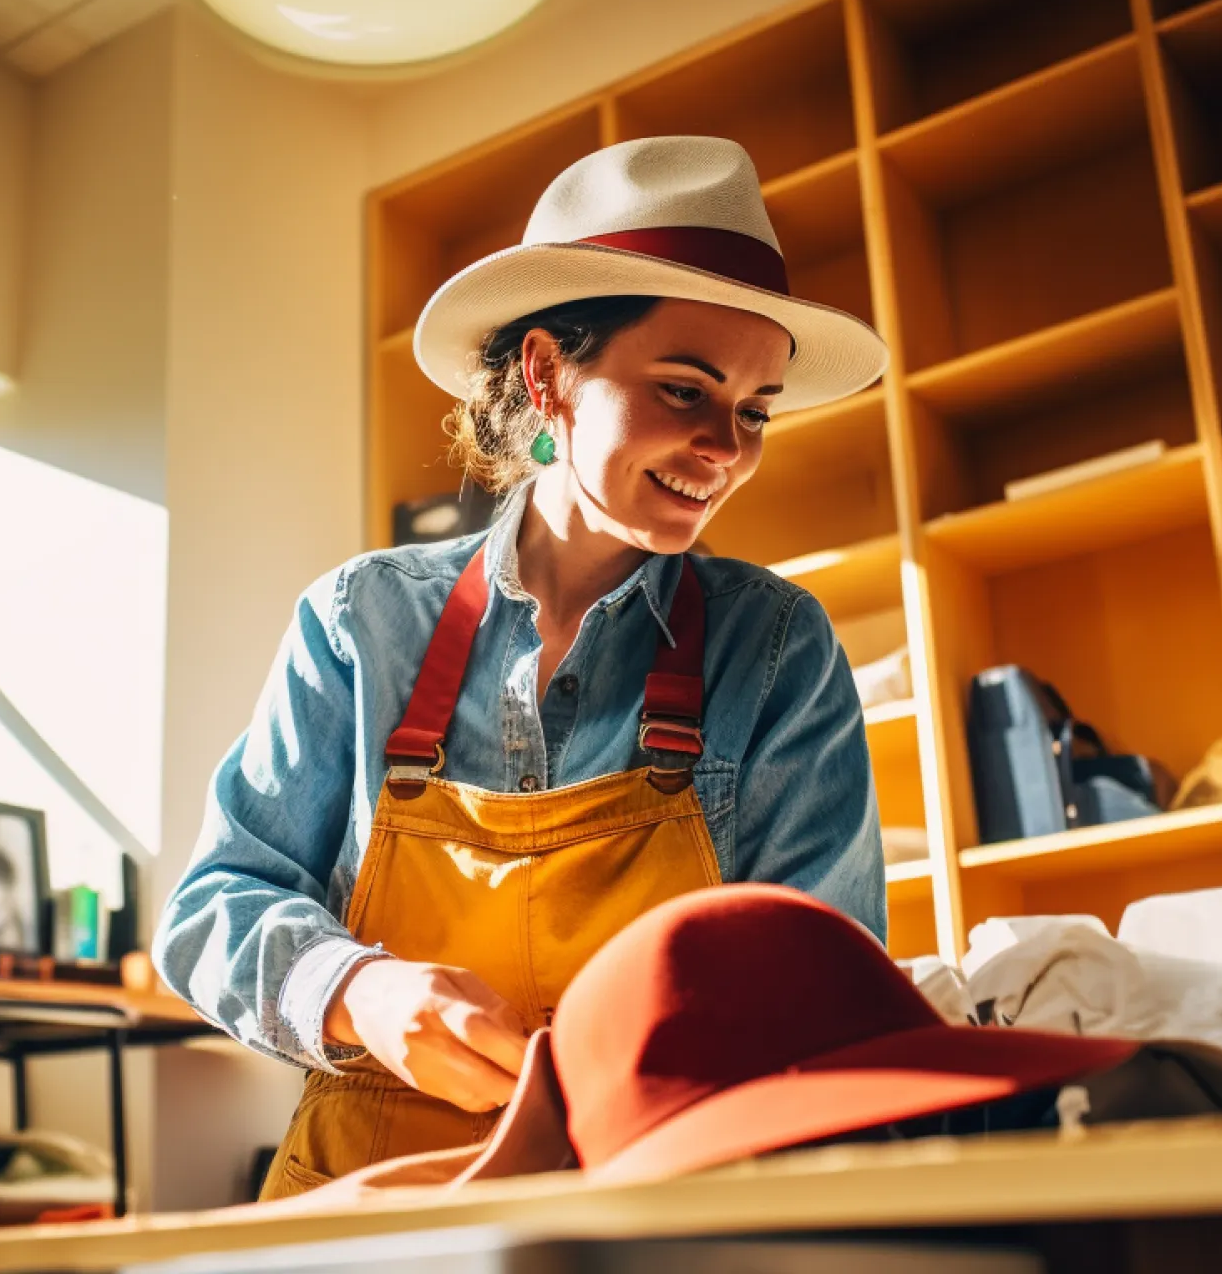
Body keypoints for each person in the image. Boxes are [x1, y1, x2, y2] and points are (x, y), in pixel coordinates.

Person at [156, 135, 891, 1199]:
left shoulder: (774, 649)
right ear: (547, 374)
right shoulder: (359, 622)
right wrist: (356, 990)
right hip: (369, 1214)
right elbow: (214, 901)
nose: (726, 447)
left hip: (662, 1204)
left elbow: (826, 996)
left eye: (753, 410)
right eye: (684, 389)